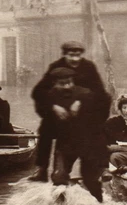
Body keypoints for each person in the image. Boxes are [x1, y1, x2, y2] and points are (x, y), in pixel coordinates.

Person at [29, 41, 110, 182]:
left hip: (84, 112)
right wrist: (54, 106)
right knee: (45, 130)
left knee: (98, 130)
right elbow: (39, 91)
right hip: (60, 111)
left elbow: (100, 92)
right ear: (65, 54)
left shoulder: (89, 67)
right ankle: (41, 168)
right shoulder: (55, 67)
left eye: (78, 55)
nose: (75, 59)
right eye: (71, 55)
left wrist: (81, 102)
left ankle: (103, 168)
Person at [45, 67, 109, 203]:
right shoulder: (51, 96)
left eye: (69, 82)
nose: (67, 86)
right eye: (62, 84)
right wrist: (53, 107)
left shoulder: (83, 93)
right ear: (55, 84)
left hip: (86, 143)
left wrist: (80, 101)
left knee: (91, 181)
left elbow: (98, 98)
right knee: (59, 178)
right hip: (64, 144)